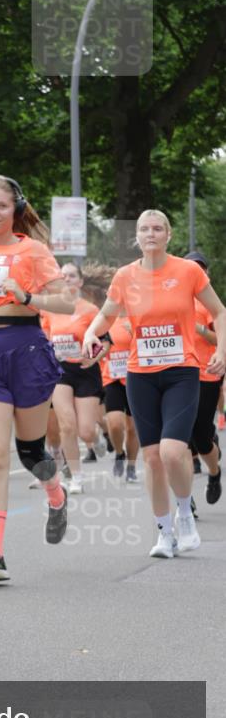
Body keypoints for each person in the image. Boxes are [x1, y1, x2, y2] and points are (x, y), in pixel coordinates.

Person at [83, 210, 226, 559]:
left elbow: (220, 312)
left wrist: (221, 350)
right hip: (141, 375)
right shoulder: (125, 276)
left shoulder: (188, 271)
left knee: (172, 452)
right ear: (137, 236)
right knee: (151, 457)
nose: (151, 234)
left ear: (168, 235)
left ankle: (185, 515)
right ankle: (164, 533)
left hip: (182, 372)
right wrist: (90, 332)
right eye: (144, 229)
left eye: (157, 228)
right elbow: (107, 314)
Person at [0, 175, 74, 584]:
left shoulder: (34, 251)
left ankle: (56, 494)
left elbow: (66, 302)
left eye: (2, 206)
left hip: (27, 350)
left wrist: (27, 298)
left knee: (29, 452)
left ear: (16, 209)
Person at [42, 261, 108, 494]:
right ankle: (76, 477)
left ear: (80, 282)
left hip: (85, 371)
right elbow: (43, 340)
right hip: (60, 372)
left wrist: (93, 357)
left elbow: (105, 342)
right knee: (67, 425)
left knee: (85, 431)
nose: (67, 279)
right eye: (63, 276)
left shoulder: (90, 310)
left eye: (71, 276)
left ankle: (96, 439)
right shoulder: (50, 309)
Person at [184, 251, 223, 505]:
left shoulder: (208, 303)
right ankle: (185, 501)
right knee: (180, 437)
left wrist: (197, 327)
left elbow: (218, 339)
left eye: (200, 268)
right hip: (178, 374)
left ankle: (214, 472)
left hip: (206, 374)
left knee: (201, 437)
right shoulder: (172, 300)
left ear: (205, 273)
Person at [100, 314, 139, 482]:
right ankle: (119, 453)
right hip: (112, 379)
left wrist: (136, 333)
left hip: (136, 378)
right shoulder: (104, 321)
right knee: (115, 424)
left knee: (132, 428)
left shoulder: (137, 317)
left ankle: (131, 467)